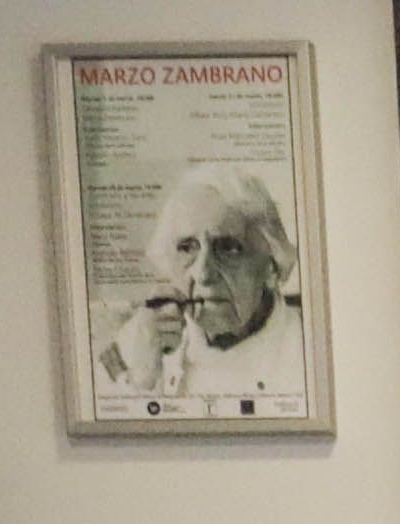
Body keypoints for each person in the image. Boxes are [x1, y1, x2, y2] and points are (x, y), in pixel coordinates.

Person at [101, 159, 318, 421]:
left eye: (228, 248)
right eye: (187, 247)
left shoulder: (313, 353)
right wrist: (140, 380)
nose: (203, 273)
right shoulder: (136, 341)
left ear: (271, 268)